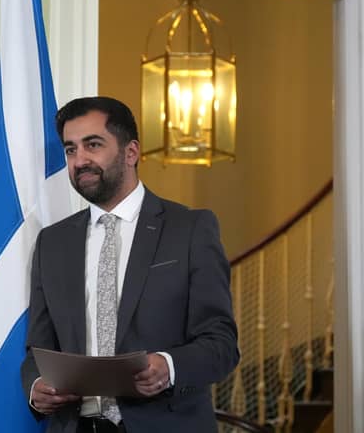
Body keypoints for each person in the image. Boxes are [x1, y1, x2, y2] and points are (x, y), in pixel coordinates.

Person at [21, 96, 239, 433]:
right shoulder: (52, 243)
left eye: (93, 145)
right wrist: (36, 387)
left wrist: (169, 366)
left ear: (131, 152)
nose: (80, 160)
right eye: (70, 150)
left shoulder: (191, 229)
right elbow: (39, 348)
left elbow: (221, 344)